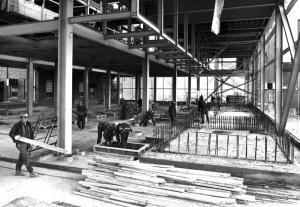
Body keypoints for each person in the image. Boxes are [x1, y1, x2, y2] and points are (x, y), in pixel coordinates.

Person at [9, 113, 38, 177]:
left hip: (27, 143)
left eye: (26, 117)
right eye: (23, 118)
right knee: (26, 158)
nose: (25, 119)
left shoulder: (28, 124)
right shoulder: (17, 125)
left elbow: (31, 134)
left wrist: (32, 142)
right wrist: (16, 137)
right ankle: (31, 172)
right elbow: (11, 133)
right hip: (20, 144)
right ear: (21, 118)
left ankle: (18, 171)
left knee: (21, 158)